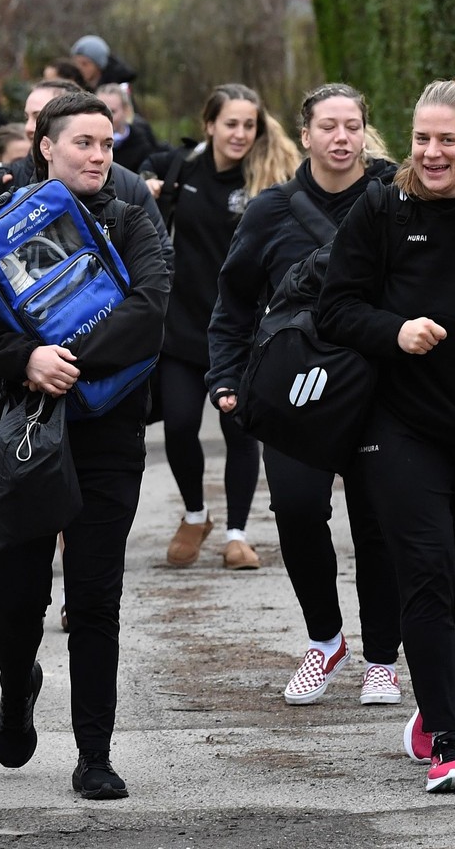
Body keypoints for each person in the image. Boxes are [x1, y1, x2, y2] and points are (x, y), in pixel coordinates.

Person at [0, 91, 169, 798]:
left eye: (106, 145)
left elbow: (149, 313)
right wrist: (27, 360)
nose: (98, 156)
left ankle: (94, 755)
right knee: (15, 598)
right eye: (83, 142)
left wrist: (66, 357)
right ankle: (18, 683)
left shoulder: (135, 220)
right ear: (43, 145)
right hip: (20, 428)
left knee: (93, 598)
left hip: (108, 433)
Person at [208, 83, 402, 708]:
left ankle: (381, 658)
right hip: (298, 389)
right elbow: (234, 300)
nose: (341, 138)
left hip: (379, 386)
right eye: (329, 127)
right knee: (294, 511)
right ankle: (325, 640)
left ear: (366, 131)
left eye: (352, 126)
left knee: (377, 523)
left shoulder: (397, 197)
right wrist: (226, 376)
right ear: (306, 133)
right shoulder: (271, 210)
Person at [317, 75, 455, 794]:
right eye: (422, 138)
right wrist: (396, 330)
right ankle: (448, 738)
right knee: (429, 572)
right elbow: (334, 310)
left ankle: (435, 704)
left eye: (448, 140)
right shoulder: (382, 208)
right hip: (399, 424)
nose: (431, 153)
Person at [141, 84, 299, 569]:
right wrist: (147, 178)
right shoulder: (182, 168)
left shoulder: (268, 180)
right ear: (209, 124)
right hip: (183, 323)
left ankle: (237, 534)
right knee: (181, 427)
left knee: (239, 432)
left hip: (241, 327)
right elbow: (146, 169)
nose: (240, 133)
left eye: (248, 125)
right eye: (230, 123)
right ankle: (195, 515)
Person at [95, 84, 163, 178]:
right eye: (100, 110)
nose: (106, 116)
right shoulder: (84, 142)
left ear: (126, 111)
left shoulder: (141, 145)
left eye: (113, 111)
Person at [69, 34, 138, 88]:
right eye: (75, 63)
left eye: (85, 64)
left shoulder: (118, 90)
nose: (79, 68)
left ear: (98, 65)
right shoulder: (74, 87)